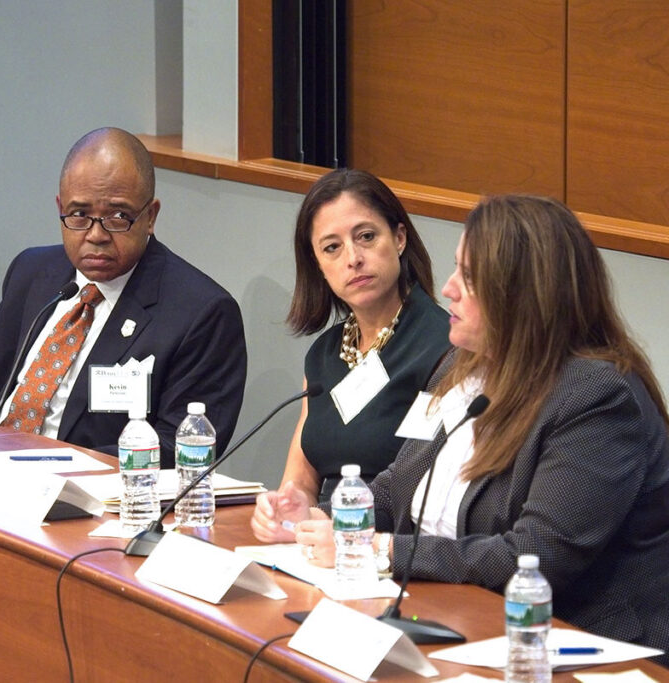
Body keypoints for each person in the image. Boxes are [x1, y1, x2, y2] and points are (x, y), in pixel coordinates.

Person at [286, 195, 669, 660]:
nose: (448, 288)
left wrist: (381, 550)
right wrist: (327, 521)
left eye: (469, 278)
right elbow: (397, 487)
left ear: (524, 293)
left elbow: (533, 557)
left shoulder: (597, 399)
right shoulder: (460, 364)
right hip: (457, 616)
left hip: (579, 645)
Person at [0, 128, 246, 467]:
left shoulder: (201, 312)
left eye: (118, 217)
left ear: (150, 217)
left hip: (92, 499)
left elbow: (178, 451)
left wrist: (45, 470)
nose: (96, 235)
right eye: (79, 215)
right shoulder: (31, 273)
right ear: (60, 208)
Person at [251, 169, 450, 543]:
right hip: (324, 541)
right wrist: (284, 509)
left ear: (400, 238)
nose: (353, 258)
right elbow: (302, 481)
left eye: (366, 237)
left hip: (395, 548)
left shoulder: (442, 347)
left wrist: (331, 524)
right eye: (332, 247)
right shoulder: (324, 354)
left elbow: (416, 486)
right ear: (318, 266)